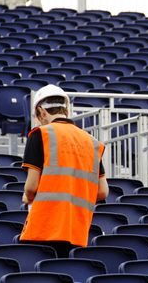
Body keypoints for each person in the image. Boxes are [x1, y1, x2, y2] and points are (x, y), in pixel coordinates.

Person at [19, 84, 109, 258]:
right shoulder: (92, 142)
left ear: (41, 111)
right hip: (77, 230)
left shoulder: (41, 134)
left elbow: (31, 187)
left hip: (43, 228)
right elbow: (103, 191)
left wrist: (28, 197)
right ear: (66, 110)